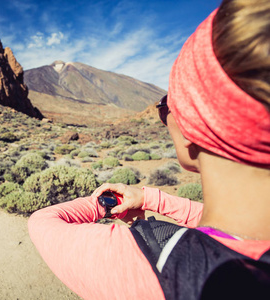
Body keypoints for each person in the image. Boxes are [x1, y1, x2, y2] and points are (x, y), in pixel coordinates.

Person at [28, 0, 270, 299]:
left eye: (167, 107)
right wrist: (150, 198)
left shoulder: (148, 261)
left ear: (189, 129)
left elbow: (42, 222)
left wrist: (104, 204)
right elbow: (229, 232)